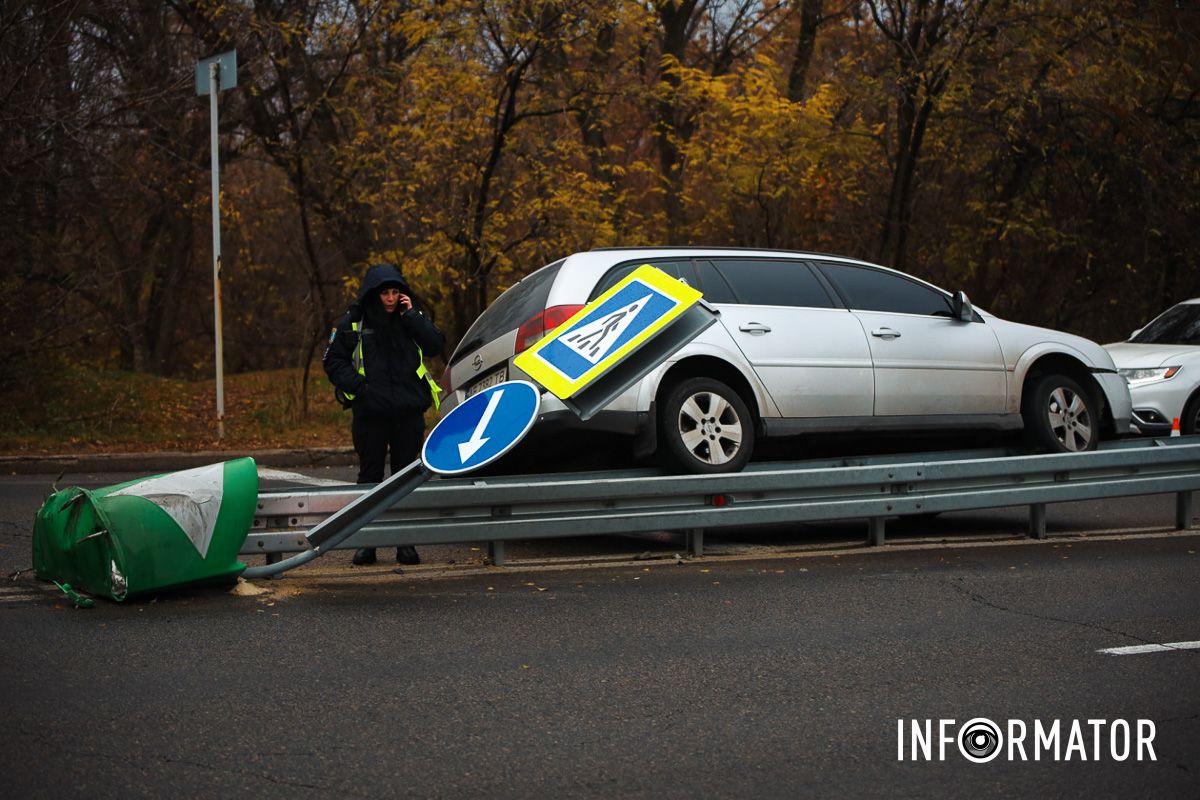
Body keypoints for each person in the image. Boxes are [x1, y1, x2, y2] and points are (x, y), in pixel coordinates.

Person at [323, 263, 445, 566]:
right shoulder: (354, 321)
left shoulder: (410, 317)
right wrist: (361, 389)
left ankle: (405, 544)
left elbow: (435, 344)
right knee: (370, 478)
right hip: (370, 414)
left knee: (404, 479)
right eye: (385, 293)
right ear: (373, 294)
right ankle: (367, 543)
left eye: (395, 292)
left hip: (408, 411)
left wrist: (412, 315)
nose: (390, 298)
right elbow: (333, 361)